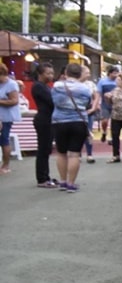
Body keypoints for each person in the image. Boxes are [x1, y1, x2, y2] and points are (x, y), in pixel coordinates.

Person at [51, 63, 92, 192]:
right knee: (74, 154)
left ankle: (62, 181)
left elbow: (54, 101)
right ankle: (71, 183)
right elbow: (87, 104)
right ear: (80, 74)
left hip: (59, 121)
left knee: (61, 153)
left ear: (66, 73)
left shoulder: (57, 86)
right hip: (79, 121)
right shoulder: (85, 89)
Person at [31, 62, 58, 187]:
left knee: (46, 149)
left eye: (52, 73)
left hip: (48, 120)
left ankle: (46, 176)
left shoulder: (45, 86)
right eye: (48, 73)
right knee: (43, 149)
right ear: (40, 74)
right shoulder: (38, 87)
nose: (51, 76)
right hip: (44, 120)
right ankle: (41, 178)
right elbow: (52, 101)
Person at [0, 62, 22, 175]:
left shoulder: (11, 84)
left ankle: (6, 165)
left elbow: (14, 101)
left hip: (7, 116)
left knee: (4, 139)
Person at [80, 65, 99, 164]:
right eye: (86, 73)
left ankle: (89, 154)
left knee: (89, 132)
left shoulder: (90, 84)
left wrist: (94, 108)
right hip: (77, 112)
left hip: (88, 111)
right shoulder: (75, 84)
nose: (89, 75)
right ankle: (77, 153)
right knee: (78, 133)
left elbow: (96, 96)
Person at [96, 66, 119, 143]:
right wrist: (97, 103)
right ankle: (104, 132)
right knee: (104, 121)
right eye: (114, 73)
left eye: (117, 73)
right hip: (105, 104)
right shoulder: (102, 81)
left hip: (115, 104)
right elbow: (98, 93)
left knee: (114, 122)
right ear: (110, 73)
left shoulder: (118, 82)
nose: (116, 75)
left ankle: (113, 137)